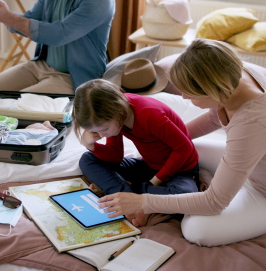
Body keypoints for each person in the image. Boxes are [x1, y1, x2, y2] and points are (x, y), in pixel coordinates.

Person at [97, 39, 266, 246]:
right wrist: (165, 140)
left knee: (196, 230)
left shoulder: (255, 122)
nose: (183, 97)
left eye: (189, 94)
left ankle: (214, 184)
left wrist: (142, 201)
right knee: (183, 148)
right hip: (255, 165)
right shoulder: (233, 74)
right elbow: (214, 117)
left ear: (212, 90)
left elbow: (214, 203)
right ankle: (213, 181)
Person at [73, 74, 200, 227]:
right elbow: (116, 157)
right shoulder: (117, 117)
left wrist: (155, 181)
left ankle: (127, 196)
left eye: (104, 129)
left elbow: (184, 148)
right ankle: (128, 198)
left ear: (117, 111)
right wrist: (91, 146)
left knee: (186, 198)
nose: (101, 135)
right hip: (148, 167)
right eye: (96, 132)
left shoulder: (149, 114)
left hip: (180, 170)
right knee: (87, 159)